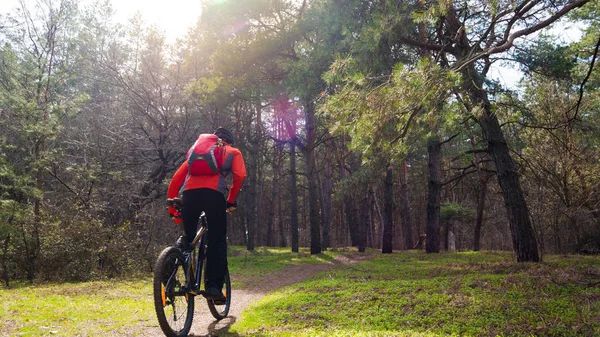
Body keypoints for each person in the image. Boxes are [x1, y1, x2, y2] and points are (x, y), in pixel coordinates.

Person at [167, 127, 246, 302]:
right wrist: (231, 200)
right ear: (229, 141)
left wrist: (173, 211)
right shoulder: (232, 151)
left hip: (189, 194)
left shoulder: (196, 153)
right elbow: (240, 175)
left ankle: (168, 265)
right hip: (214, 195)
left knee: (188, 238)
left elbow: (175, 181)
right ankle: (214, 288)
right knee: (217, 239)